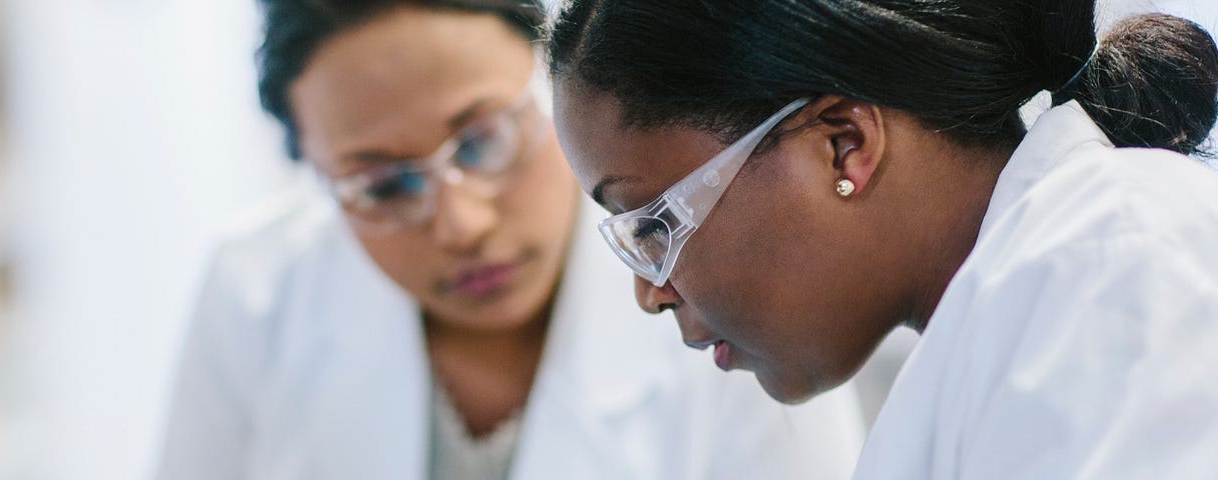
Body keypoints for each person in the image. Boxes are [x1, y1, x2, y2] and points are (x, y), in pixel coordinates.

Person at [154, 1, 868, 479]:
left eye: (483, 140)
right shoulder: (256, 292)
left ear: (555, 81)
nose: (463, 225)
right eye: (382, 187)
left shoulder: (732, 296)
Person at [547, 0, 1218, 477]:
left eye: (654, 226)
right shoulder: (1018, 312)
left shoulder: (1114, 262)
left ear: (844, 145)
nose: (650, 293)